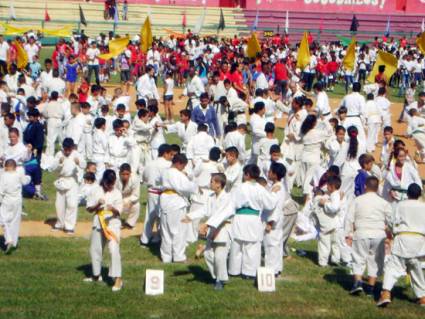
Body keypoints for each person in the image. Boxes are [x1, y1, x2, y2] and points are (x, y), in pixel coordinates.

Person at [183, 173, 234, 290]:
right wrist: (190, 216)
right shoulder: (211, 197)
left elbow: (221, 215)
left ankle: (220, 280)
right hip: (212, 228)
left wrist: (206, 224)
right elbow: (204, 210)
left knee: (220, 257)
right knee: (208, 254)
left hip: (223, 229)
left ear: (219, 184)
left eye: (212, 181)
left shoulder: (227, 198)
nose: (210, 183)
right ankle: (217, 276)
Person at [377, 183, 425, 307]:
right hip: (419, 240)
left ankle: (386, 293)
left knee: (393, 266)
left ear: (407, 194)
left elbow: (393, 222)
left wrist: (392, 233)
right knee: (416, 269)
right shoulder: (423, 206)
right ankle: (422, 297)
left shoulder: (400, 205)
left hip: (403, 238)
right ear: (420, 194)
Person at [228, 164, 278, 279]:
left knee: (237, 245)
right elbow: (270, 204)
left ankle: (234, 270)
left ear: (247, 175)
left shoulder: (239, 188)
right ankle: (249, 272)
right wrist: (274, 193)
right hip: (253, 219)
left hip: (240, 217)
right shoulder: (260, 189)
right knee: (252, 246)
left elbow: (231, 203)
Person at [346, 176, 392, 296]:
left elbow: (349, 218)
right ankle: (371, 287)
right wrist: (389, 232)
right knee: (375, 260)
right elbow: (391, 220)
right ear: (377, 188)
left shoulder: (357, 200)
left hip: (361, 232)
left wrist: (348, 234)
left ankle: (358, 282)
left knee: (358, 258)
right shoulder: (383, 202)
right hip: (379, 234)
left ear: (365, 186)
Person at [85, 169, 124, 292]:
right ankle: (96, 275)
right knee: (95, 249)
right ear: (104, 181)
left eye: (112, 184)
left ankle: (118, 278)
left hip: (112, 223)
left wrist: (113, 209)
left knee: (113, 250)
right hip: (98, 221)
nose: (110, 186)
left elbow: (119, 211)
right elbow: (89, 209)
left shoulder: (117, 193)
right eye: (108, 184)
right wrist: (97, 204)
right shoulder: (96, 190)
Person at [159, 154, 197, 263]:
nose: (183, 168)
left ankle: (166, 257)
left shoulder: (165, 172)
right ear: (178, 163)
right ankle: (179, 257)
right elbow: (187, 187)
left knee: (166, 231)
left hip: (165, 200)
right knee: (179, 231)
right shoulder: (177, 174)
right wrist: (195, 185)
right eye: (183, 166)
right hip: (175, 202)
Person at [140, 144, 173, 246]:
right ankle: (159, 237)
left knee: (150, 217)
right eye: (170, 154)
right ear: (165, 153)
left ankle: (145, 239)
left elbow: (144, 177)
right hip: (163, 193)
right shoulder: (168, 165)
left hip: (151, 192)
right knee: (162, 217)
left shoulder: (150, 163)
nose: (171, 156)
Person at [51, 138, 86, 233]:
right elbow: (52, 168)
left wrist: (79, 162)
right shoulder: (59, 154)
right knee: (59, 204)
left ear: (72, 148)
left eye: (69, 149)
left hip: (72, 180)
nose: (67, 151)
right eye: (65, 149)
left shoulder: (76, 154)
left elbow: (84, 164)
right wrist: (59, 163)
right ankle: (59, 224)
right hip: (61, 180)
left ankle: (69, 226)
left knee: (72, 204)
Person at [263, 162, 289, 277]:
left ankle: (271, 270)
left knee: (271, 246)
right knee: (277, 245)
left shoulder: (278, 188)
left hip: (273, 221)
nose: (268, 173)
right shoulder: (276, 186)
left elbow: (276, 208)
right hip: (277, 221)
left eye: (270, 171)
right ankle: (277, 268)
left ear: (275, 174)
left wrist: (270, 222)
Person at [0, 159, 30, 254]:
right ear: (15, 167)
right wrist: (28, 177)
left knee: (4, 220)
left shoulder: (3, 176)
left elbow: (1, 191)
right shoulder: (18, 174)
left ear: (5, 167)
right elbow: (25, 181)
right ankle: (14, 242)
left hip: (7, 201)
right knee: (15, 221)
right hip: (17, 201)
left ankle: (9, 239)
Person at [313, 176, 342, 267]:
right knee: (334, 243)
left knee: (325, 243)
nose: (326, 187)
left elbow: (334, 208)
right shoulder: (333, 194)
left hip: (330, 223)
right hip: (334, 224)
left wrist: (324, 203)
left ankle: (323, 261)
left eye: (328, 186)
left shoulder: (335, 195)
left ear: (332, 186)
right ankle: (334, 259)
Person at [116, 163, 140, 229]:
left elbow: (136, 195)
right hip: (117, 200)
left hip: (129, 200)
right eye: (123, 174)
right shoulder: (115, 180)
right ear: (119, 173)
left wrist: (128, 201)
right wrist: (120, 202)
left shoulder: (135, 179)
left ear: (130, 173)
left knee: (136, 205)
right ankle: (115, 222)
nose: (125, 176)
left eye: (127, 174)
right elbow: (113, 193)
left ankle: (129, 223)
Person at [42, 91, 66, 157]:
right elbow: (63, 114)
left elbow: (44, 113)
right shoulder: (60, 104)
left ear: (51, 96)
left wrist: (47, 117)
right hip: (59, 120)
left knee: (50, 138)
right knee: (61, 138)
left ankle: (50, 154)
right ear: (57, 97)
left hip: (51, 120)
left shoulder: (48, 104)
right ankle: (64, 152)